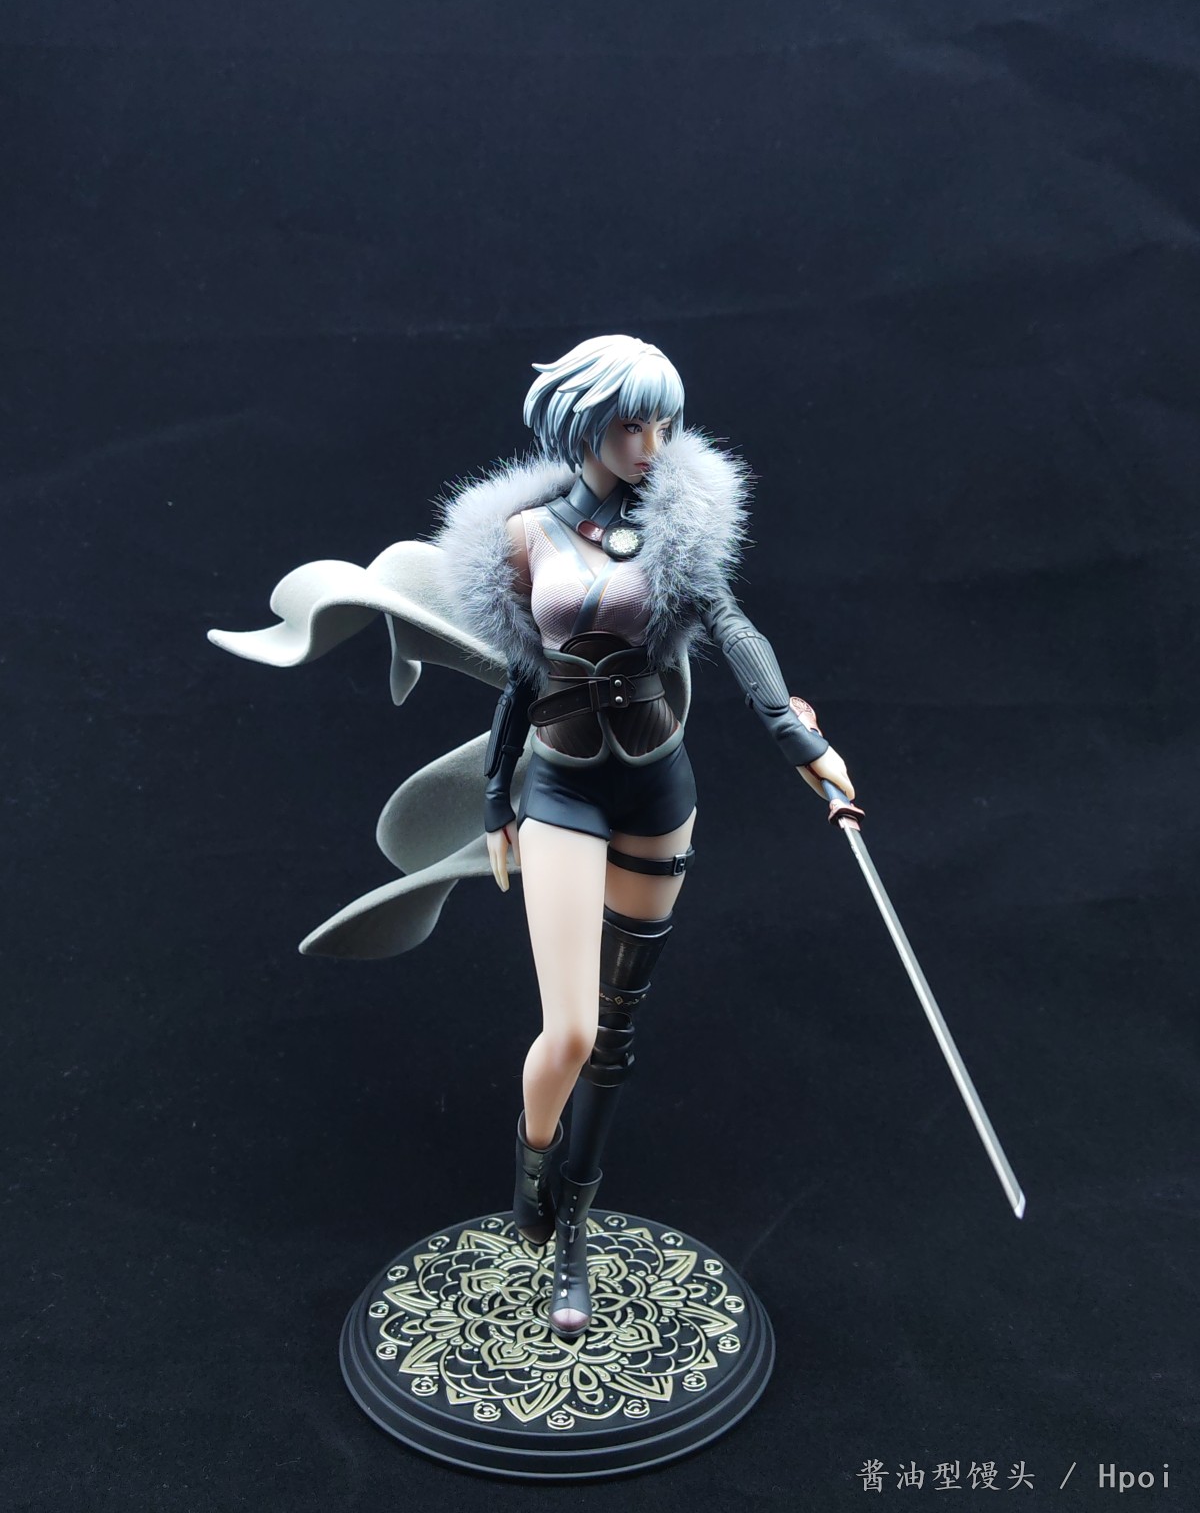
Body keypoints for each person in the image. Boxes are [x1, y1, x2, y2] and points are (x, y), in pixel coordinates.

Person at [208, 333, 854, 1338]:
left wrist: (797, 735)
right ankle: (534, 1167)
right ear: (581, 425)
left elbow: (733, 628)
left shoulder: (676, 529)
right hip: (561, 788)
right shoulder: (518, 536)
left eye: (664, 423)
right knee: (573, 1031)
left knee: (618, 1038)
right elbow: (523, 676)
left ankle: (572, 1236)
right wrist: (494, 801)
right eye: (631, 424)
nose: (651, 445)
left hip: (660, 786)